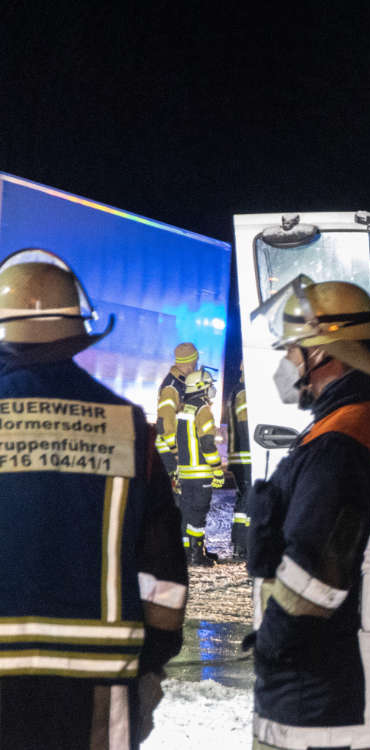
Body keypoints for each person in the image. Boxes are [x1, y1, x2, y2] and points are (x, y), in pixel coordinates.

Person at [0, 249, 187, 749]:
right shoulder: (128, 427)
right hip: (100, 689)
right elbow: (165, 578)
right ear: (78, 329)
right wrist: (150, 665)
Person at [246, 277, 370, 749]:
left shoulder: (342, 445)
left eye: (292, 349)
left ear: (324, 354)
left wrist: (269, 648)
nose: (286, 363)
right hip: (356, 687)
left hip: (323, 699)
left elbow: (314, 578)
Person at [175, 368, 224, 565]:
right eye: (209, 385)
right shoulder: (203, 410)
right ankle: (197, 555)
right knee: (198, 514)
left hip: (186, 473)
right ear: (201, 388)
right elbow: (207, 444)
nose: (212, 389)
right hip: (201, 473)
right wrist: (217, 469)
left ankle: (186, 553)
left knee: (186, 513)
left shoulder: (184, 409)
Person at [155, 342, 199, 478]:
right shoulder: (172, 387)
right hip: (169, 453)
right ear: (191, 363)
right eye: (196, 362)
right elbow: (165, 424)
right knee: (175, 494)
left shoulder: (180, 383)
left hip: (172, 450)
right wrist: (177, 452)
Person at [225, 361, 251, 558]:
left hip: (237, 456)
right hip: (245, 456)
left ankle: (239, 543)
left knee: (243, 499)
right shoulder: (244, 392)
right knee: (247, 499)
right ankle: (242, 546)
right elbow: (245, 423)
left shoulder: (236, 390)